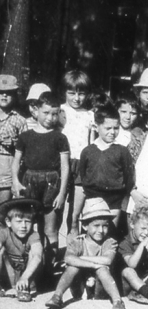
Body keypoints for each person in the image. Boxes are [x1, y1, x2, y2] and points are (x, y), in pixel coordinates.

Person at [12, 92, 70, 265]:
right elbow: (16, 161)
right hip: (29, 181)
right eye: (46, 113)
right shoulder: (26, 136)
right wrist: (15, 180)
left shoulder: (60, 137)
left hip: (52, 183)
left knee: (50, 228)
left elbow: (65, 166)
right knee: (30, 225)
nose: (50, 118)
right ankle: (31, 264)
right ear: (36, 111)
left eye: (55, 113)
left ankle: (49, 267)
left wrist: (62, 193)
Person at [45, 199, 126, 309]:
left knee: (102, 268)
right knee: (73, 267)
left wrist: (81, 259)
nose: (101, 230)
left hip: (101, 287)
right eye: (96, 226)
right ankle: (57, 296)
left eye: (105, 226)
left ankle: (117, 301)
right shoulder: (78, 242)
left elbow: (107, 260)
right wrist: (93, 264)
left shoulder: (109, 242)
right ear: (84, 226)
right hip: (79, 286)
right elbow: (68, 258)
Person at [78, 105, 135, 227]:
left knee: (110, 231)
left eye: (116, 128)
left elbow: (128, 176)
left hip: (114, 200)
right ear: (97, 127)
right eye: (108, 128)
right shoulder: (88, 151)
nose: (112, 132)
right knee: (94, 230)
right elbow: (83, 175)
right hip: (93, 199)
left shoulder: (122, 151)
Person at [60, 70, 94, 237]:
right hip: (62, 163)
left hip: (82, 164)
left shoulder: (90, 115)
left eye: (81, 94)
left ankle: (71, 249)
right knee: (57, 208)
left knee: (75, 214)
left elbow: (92, 142)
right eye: (72, 93)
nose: (76, 98)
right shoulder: (59, 112)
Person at [0, 198, 43, 301]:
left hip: (28, 273)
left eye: (27, 222)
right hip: (12, 269)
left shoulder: (33, 235)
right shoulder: (4, 232)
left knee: (34, 253)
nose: (23, 226)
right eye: (18, 222)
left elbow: (37, 257)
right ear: (8, 222)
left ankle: (25, 288)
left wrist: (25, 277)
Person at [0, 75, 27, 205]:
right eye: (0, 92)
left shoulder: (19, 120)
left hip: (7, 169)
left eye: (8, 93)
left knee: (2, 209)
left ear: (15, 95)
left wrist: (13, 143)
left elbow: (26, 148)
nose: (4, 96)